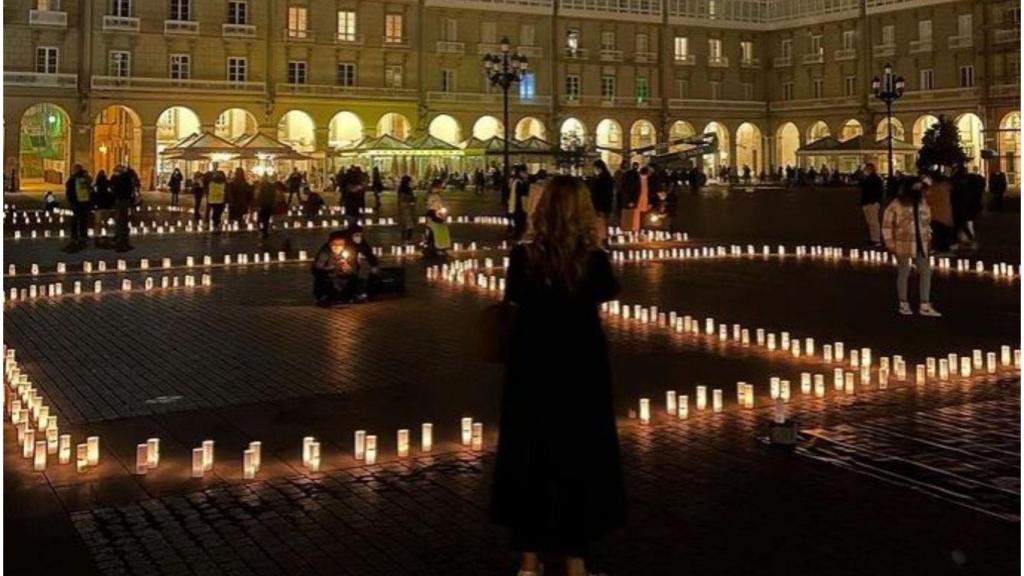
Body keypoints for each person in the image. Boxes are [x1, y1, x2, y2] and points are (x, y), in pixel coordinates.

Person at [491, 175, 625, 576]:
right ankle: (575, 564)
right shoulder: (594, 260)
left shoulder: (523, 257)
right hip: (580, 370)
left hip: (531, 368)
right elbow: (608, 291)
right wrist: (595, 243)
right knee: (577, 461)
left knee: (528, 457)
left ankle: (528, 562)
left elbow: (515, 297)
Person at [882, 177, 940, 317]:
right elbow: (887, 223)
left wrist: (929, 235)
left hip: (921, 242)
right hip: (902, 242)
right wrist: (889, 242)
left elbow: (927, 220)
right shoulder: (897, 204)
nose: (919, 190)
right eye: (916, 187)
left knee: (925, 271)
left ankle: (924, 304)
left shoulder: (922, 202)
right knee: (904, 271)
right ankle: (903, 303)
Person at [310, 226, 378, 306]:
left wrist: (348, 268)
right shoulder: (325, 252)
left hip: (344, 281)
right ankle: (324, 298)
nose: (337, 247)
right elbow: (316, 269)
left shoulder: (349, 251)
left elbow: (354, 269)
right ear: (330, 243)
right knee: (324, 283)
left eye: (340, 245)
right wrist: (331, 268)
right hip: (329, 280)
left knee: (359, 280)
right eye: (334, 244)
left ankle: (355, 296)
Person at [64, 164, 92, 249]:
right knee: (83, 220)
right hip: (84, 201)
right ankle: (83, 234)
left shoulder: (73, 179)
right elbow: (89, 187)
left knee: (76, 220)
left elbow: (69, 191)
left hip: (77, 202)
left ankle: (75, 235)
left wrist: (70, 200)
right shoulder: (84, 178)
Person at [589, 160, 614, 244]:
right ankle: (604, 241)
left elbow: (599, 193)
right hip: (605, 205)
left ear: (598, 168)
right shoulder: (607, 177)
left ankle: (602, 242)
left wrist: (597, 206)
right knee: (603, 224)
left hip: (601, 206)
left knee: (600, 224)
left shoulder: (601, 179)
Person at [110, 165, 135, 252]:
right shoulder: (126, 178)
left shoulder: (120, 178)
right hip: (123, 200)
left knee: (121, 220)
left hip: (121, 200)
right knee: (122, 220)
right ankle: (121, 240)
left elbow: (114, 188)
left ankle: (120, 238)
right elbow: (130, 189)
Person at [859, 163, 884, 246]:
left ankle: (876, 239)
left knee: (873, 221)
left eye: (866, 169)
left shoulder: (874, 179)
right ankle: (873, 238)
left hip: (871, 202)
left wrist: (875, 200)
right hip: (868, 202)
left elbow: (878, 191)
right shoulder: (869, 178)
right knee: (870, 221)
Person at [618, 163, 641, 233]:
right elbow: (637, 189)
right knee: (631, 216)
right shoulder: (636, 176)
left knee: (626, 216)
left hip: (626, 200)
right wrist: (633, 200)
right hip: (631, 200)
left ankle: (626, 231)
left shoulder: (626, 175)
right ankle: (631, 230)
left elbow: (623, 188)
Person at [205, 163, 228, 229]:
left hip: (213, 196)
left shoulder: (214, 175)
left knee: (213, 210)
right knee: (215, 210)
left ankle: (211, 222)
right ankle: (214, 222)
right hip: (217, 197)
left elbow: (206, 184)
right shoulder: (210, 174)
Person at [255, 174, 277, 239]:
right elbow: (273, 196)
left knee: (260, 219)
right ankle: (264, 231)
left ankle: (263, 231)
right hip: (268, 205)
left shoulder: (261, 187)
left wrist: (257, 203)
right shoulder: (271, 187)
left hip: (264, 205)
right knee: (265, 219)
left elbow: (259, 196)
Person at [397, 175, 416, 241]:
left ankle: (405, 238)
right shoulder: (406, 189)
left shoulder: (402, 189)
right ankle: (407, 238)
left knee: (405, 223)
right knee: (408, 223)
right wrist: (411, 199)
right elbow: (404, 198)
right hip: (406, 207)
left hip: (404, 207)